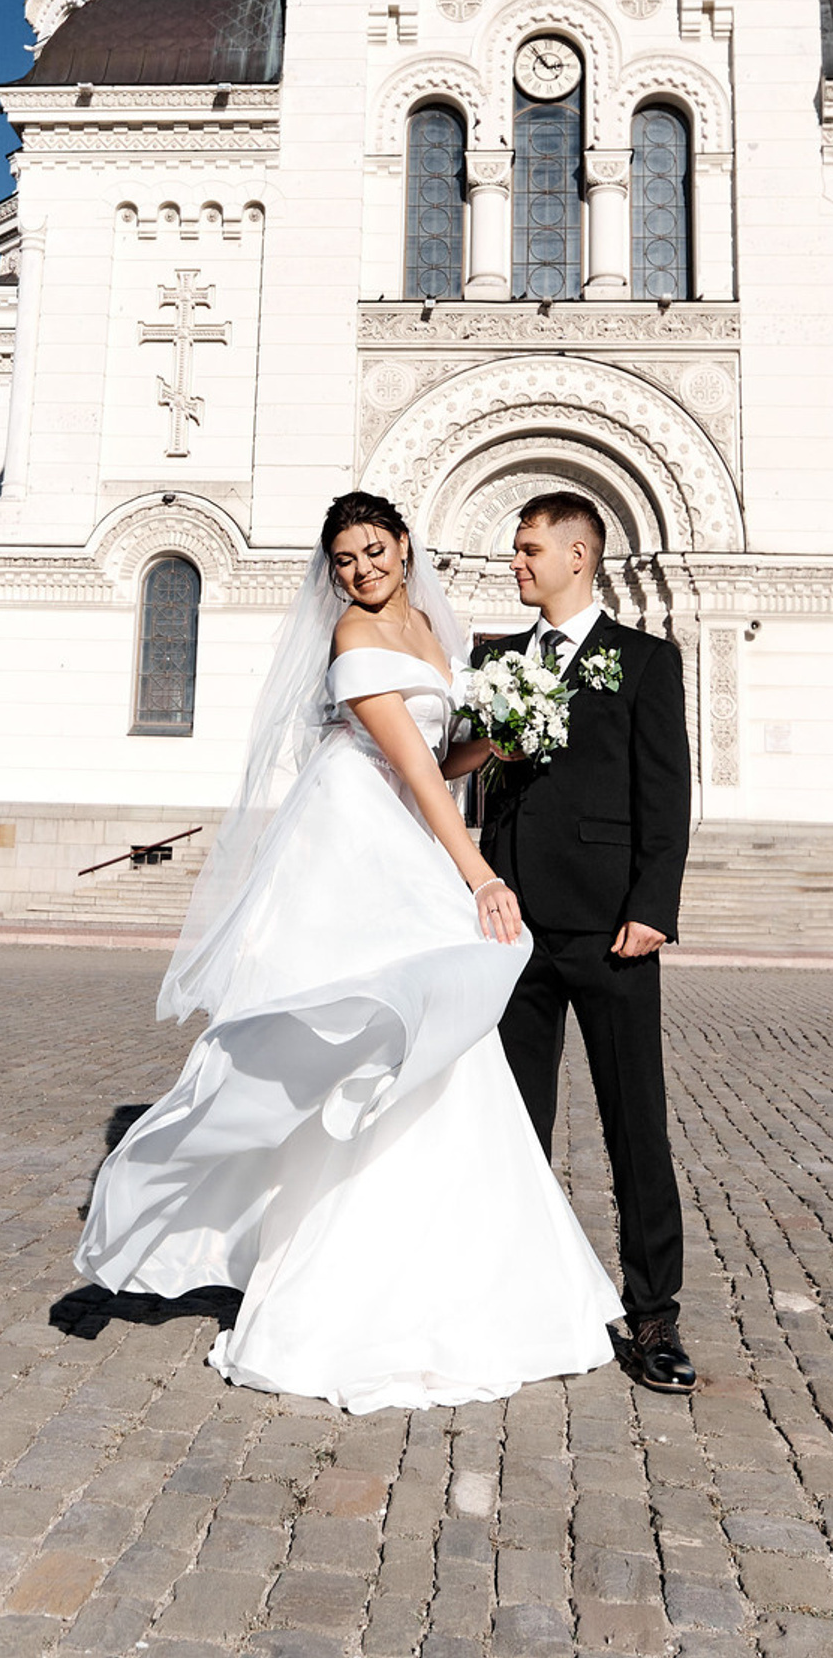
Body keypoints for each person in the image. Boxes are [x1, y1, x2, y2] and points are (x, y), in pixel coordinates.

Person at [75, 492, 617, 1414]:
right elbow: (407, 770)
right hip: (357, 841)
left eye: (374, 551)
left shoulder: (434, 632)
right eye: (344, 562)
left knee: (430, 1032)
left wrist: (498, 735)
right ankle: (344, 1283)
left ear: (405, 547)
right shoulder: (353, 642)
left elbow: (440, 758)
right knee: (379, 1026)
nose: (362, 571)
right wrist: (481, 875)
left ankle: (454, 1268)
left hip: (403, 827)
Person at [470, 492, 696, 1395]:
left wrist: (653, 903)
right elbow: (474, 778)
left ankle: (653, 1314)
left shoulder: (642, 661)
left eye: (529, 550)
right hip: (514, 926)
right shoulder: (495, 661)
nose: (516, 564)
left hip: (611, 928)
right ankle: (516, 1298)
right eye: (516, 550)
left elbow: (666, 791)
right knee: (512, 1123)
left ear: (578, 556)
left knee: (633, 1123)